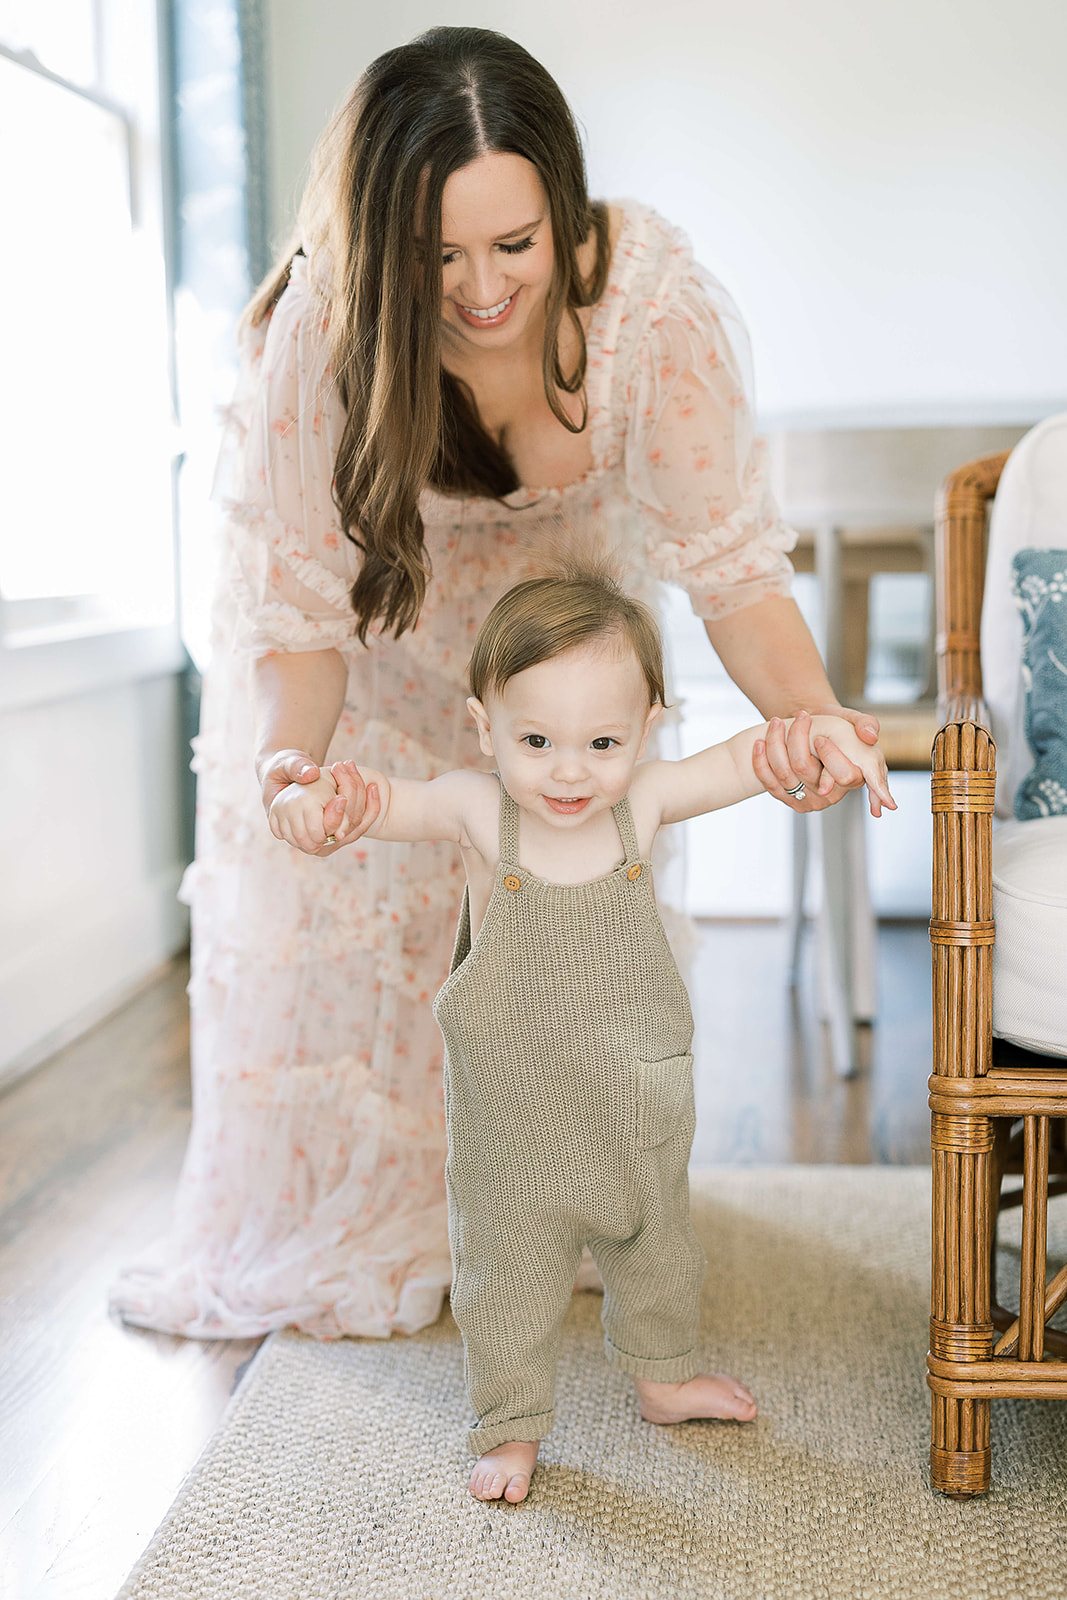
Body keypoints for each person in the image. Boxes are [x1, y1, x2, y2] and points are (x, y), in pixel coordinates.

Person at [111, 26, 881, 1341]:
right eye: (436, 256)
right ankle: (389, 1213)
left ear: (563, 211)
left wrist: (804, 720)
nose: (477, 290)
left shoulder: (647, 311)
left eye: (512, 247)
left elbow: (732, 569)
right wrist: (289, 763)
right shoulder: (327, 330)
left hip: (554, 671)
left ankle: (540, 1201)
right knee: (370, 935)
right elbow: (299, 615)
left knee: (552, 939)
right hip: (374, 651)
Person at [274, 568, 894, 1503]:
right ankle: (510, 1424)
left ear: (648, 726)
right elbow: (377, 805)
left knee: (660, 1253)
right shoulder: (477, 810)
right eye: (535, 740)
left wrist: (815, 733)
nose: (569, 771)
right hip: (513, 1133)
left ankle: (664, 1376)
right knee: (507, 1283)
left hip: (633, 1110)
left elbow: (744, 760)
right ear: (484, 728)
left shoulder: (640, 802)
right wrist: (322, 801)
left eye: (602, 741)